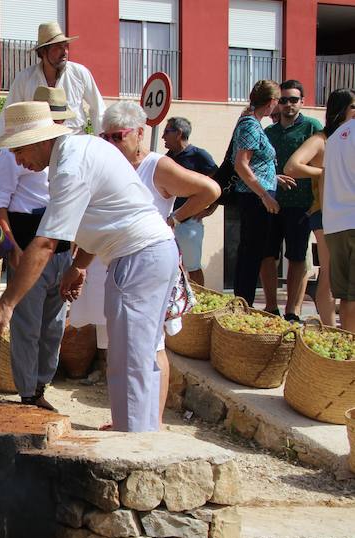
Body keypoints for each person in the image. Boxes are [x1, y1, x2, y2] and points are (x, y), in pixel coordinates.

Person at [0, 101, 177, 433]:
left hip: (139, 258)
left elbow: (45, 245)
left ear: (41, 140)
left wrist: (6, 304)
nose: (15, 159)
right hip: (142, 256)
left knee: (131, 362)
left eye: (17, 149)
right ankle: (132, 432)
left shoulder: (70, 166)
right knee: (131, 357)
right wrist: (79, 266)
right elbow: (101, 216)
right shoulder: (81, 150)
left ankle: (136, 446)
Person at [100, 101, 220, 426]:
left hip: (151, 261)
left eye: (117, 136)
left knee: (153, 345)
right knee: (134, 345)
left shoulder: (157, 166)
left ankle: (150, 420)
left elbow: (210, 189)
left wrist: (175, 217)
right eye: (105, 137)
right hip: (127, 260)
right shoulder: (116, 165)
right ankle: (138, 418)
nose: (111, 143)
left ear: (139, 134)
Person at [0, 87, 74, 409]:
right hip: (29, 244)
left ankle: (40, 386)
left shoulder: (67, 155)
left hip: (62, 247)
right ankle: (28, 393)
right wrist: (13, 248)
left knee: (53, 327)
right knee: (27, 327)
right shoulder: (14, 157)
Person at [285, 88, 355, 326]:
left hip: (333, 214)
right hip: (326, 213)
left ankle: (334, 330)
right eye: (353, 107)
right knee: (328, 274)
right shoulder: (322, 139)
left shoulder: (335, 140)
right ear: (342, 110)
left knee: (335, 279)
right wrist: (325, 172)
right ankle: (329, 326)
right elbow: (292, 166)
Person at [231, 80, 297, 307]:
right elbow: (241, 164)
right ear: (271, 102)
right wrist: (264, 195)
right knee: (251, 253)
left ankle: (243, 303)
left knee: (252, 251)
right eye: (279, 101)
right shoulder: (250, 124)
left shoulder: (253, 123)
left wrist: (273, 178)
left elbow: (255, 163)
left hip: (257, 192)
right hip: (254, 197)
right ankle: (244, 304)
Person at [263, 80, 323, 322]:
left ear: (302, 102)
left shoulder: (312, 127)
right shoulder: (268, 133)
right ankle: (270, 307)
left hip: (301, 204)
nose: (288, 104)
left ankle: (293, 311)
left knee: (297, 258)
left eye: (293, 100)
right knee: (267, 255)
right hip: (271, 202)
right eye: (284, 99)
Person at [0, 21, 105, 138]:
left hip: (74, 139)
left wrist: (105, 143)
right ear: (43, 52)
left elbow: (98, 108)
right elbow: (7, 115)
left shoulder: (79, 73)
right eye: (58, 47)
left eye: (65, 46)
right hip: (40, 144)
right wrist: (7, 150)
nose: (64, 52)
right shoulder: (25, 79)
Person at [162, 116, 218, 286]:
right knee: (171, 267)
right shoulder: (168, 158)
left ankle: (199, 305)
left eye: (167, 132)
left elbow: (218, 183)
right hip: (169, 221)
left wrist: (209, 209)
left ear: (178, 133)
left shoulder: (199, 155)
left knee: (192, 267)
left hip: (189, 223)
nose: (163, 136)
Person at [320, 95, 355, 332]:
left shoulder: (333, 138)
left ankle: (348, 354)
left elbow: (324, 181)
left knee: (346, 297)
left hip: (335, 224)